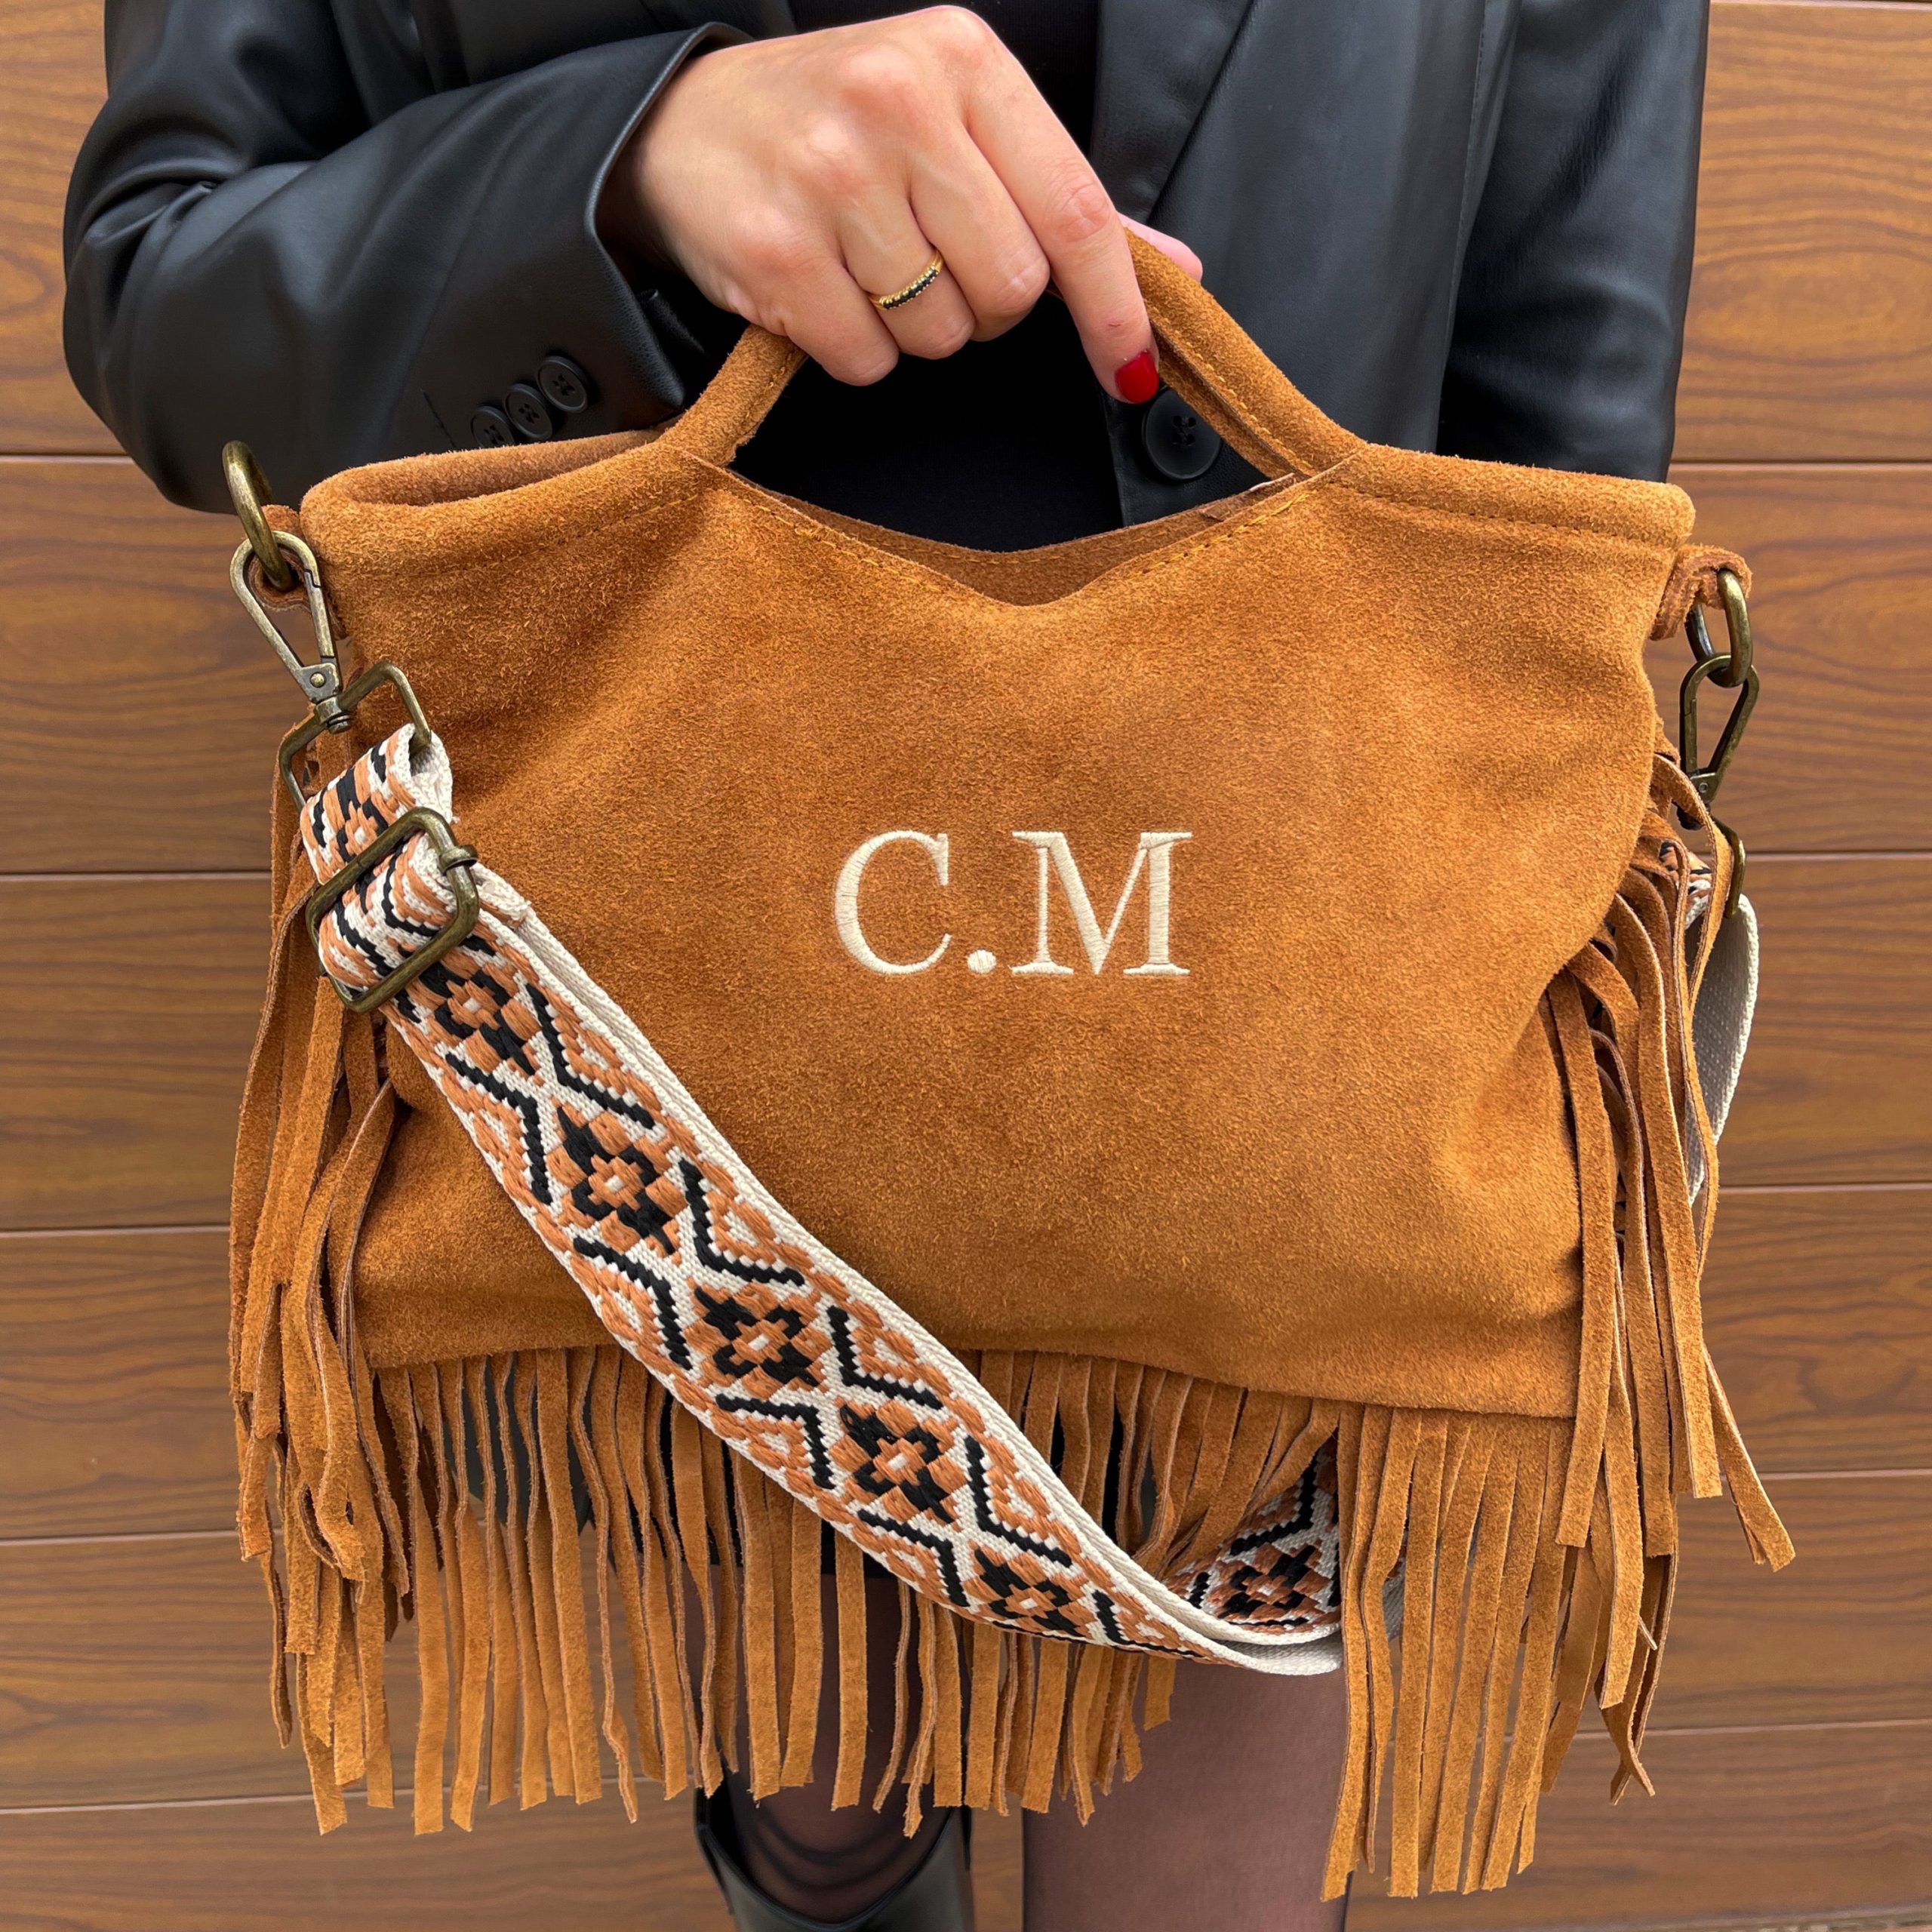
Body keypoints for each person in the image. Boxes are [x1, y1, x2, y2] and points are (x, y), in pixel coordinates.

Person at [63, 5, 1712, 1927]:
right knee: (824, 1825)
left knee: (1203, 1883)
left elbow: (1561, 410)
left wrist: (1499, 825)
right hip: (675, 996)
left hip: (1294, 955)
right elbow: (166, 283)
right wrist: (626, 163)